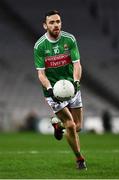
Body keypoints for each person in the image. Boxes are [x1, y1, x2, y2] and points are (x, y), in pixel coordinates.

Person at [34, 10, 87, 170]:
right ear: (45, 25)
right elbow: (41, 74)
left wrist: (76, 81)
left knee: (78, 126)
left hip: (72, 87)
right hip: (53, 91)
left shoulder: (69, 39)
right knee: (71, 125)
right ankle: (80, 159)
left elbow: (77, 64)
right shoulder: (40, 46)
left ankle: (58, 125)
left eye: (58, 21)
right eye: (52, 22)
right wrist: (49, 89)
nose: (56, 25)